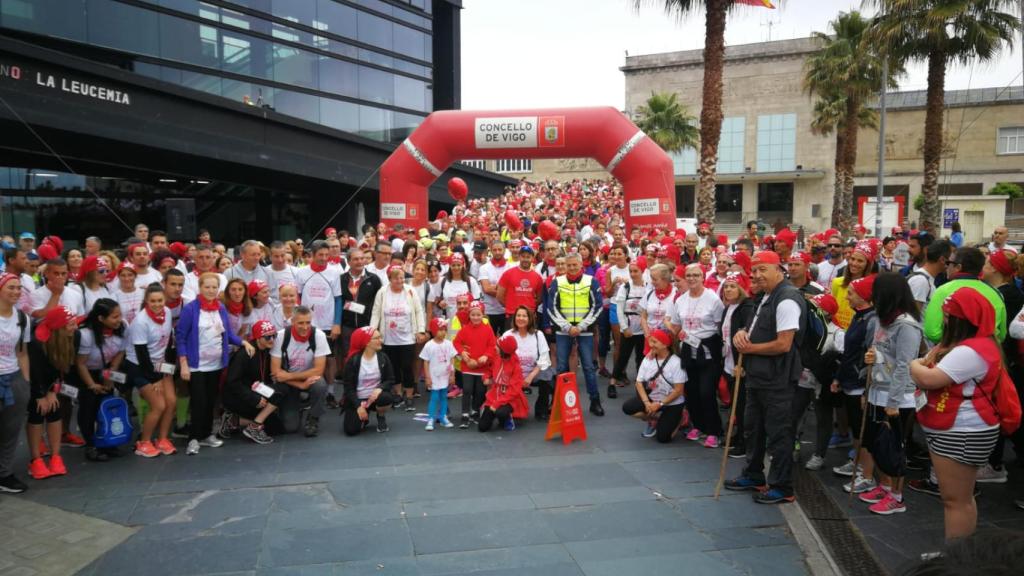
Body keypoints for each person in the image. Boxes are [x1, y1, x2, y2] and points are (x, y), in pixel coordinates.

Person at [911, 288, 1003, 540]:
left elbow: (928, 377)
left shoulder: (969, 351)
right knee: (959, 499)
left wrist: (914, 364)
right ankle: (960, 556)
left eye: (947, 315)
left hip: (961, 431)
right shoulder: (970, 346)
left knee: (955, 501)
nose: (943, 319)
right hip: (958, 429)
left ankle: (956, 561)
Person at [725, 251, 804, 504]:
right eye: (754, 270)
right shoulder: (766, 296)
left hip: (777, 379)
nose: (756, 275)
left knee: (779, 434)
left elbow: (783, 344)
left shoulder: (787, 299)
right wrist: (741, 334)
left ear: (778, 270)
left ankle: (782, 486)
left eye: (763, 270)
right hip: (758, 376)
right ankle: (754, 474)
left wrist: (749, 349)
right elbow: (754, 328)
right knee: (753, 428)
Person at [857, 273, 923, 515]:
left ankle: (897, 496)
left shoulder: (906, 325)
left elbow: (905, 365)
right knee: (878, 445)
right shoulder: (881, 320)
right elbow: (877, 351)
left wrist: (894, 402)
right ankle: (884, 486)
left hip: (897, 398)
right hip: (877, 391)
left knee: (894, 448)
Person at [176, 272, 254, 455]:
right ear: (200, 288)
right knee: (199, 401)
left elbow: (227, 333)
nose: (211, 290)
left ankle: (206, 435)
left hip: (216, 364)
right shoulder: (190, 309)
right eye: (207, 287)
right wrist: (184, 364)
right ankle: (194, 438)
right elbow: (180, 338)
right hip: (196, 365)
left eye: (214, 287)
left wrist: (243, 342)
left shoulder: (220, 308)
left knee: (211, 401)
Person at [831, 275, 879, 481]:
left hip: (860, 384)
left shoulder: (871, 320)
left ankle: (864, 471)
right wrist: (839, 378)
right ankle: (858, 462)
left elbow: (868, 355)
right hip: (850, 380)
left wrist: (864, 386)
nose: (847, 297)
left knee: (863, 431)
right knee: (856, 428)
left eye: (851, 293)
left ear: (864, 296)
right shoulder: (858, 315)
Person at [547, 252, 605, 416]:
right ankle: (558, 401)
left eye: (574, 265)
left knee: (588, 366)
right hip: (563, 330)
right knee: (561, 367)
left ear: (581, 265)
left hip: (585, 330)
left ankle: (595, 401)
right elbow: (551, 307)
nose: (571, 268)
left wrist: (581, 326)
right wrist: (566, 326)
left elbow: (598, 306)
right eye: (569, 265)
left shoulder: (591, 281)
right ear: (565, 265)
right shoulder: (557, 282)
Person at [675, 263, 725, 448]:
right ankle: (699, 426)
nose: (691, 278)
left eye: (696, 275)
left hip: (708, 348)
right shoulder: (680, 299)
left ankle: (714, 430)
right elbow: (675, 323)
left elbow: (721, 326)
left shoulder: (712, 299)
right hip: (688, 348)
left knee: (706, 392)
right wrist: (677, 332)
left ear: (703, 276)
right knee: (691, 390)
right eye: (688, 275)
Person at [124, 284, 177, 458]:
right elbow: (142, 354)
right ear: (146, 301)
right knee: (158, 405)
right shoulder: (140, 322)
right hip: (140, 366)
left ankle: (162, 439)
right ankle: (144, 442)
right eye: (153, 301)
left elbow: (167, 341)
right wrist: (155, 380)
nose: (157, 304)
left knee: (171, 401)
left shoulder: (168, 313)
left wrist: (167, 366)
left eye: (160, 300)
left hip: (159, 364)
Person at [26, 306, 78, 478]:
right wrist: (40, 395)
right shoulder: (37, 344)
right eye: (70, 324)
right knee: (37, 412)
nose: (75, 327)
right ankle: (36, 460)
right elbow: (33, 373)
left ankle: (56, 456)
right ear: (59, 328)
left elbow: (61, 370)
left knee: (55, 411)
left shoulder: (70, 338)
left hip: (51, 382)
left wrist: (53, 392)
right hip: (34, 384)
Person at [74, 298, 126, 462]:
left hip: (106, 371)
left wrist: (111, 374)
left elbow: (120, 352)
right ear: (101, 319)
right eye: (114, 317)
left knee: (106, 407)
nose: (119, 320)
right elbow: (80, 364)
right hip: (86, 373)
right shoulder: (86, 335)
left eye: (119, 315)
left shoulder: (122, 327)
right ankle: (91, 445)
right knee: (88, 409)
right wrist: (91, 385)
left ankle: (107, 441)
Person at [370, 264, 427, 411]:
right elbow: (376, 312)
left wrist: (420, 330)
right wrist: (372, 331)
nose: (400, 281)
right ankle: (398, 394)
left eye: (402, 277)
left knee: (407, 366)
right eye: (396, 278)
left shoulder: (410, 291)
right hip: (389, 337)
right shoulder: (382, 292)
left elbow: (419, 311)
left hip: (407, 336)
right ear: (390, 279)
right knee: (393, 367)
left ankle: (409, 396)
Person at [923, 247, 1006, 344]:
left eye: (949, 263)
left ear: (958, 267)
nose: (946, 267)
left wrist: (951, 343)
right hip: (987, 353)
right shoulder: (995, 292)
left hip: (951, 352)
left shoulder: (943, 290)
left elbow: (932, 332)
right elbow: (1002, 334)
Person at [222, 320, 285, 445]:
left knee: (277, 428)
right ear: (257, 337)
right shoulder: (245, 353)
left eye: (274, 335)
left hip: (256, 392)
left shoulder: (267, 351)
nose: (272, 339)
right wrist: (253, 398)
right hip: (239, 397)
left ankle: (234, 421)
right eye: (267, 337)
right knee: (280, 392)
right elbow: (232, 382)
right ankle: (254, 427)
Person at [270, 306, 329, 437]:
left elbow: (319, 370)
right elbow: (275, 372)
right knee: (290, 427)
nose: (305, 327)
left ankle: (313, 418)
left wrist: (289, 375)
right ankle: (299, 404)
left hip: (303, 377)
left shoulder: (319, 335)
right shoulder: (281, 336)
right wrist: (299, 384)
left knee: (320, 384)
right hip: (288, 383)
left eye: (308, 322)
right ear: (292, 322)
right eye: (300, 323)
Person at [621, 329, 687, 443]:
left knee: (663, 438)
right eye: (650, 342)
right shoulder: (648, 359)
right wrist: (647, 403)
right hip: (653, 398)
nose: (651, 345)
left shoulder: (676, 362)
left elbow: (678, 391)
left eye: (655, 342)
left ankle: (680, 418)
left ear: (665, 344)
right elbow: (639, 383)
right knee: (628, 407)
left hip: (672, 402)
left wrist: (660, 404)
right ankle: (655, 418)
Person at [0, 274, 30, 492]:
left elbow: (22, 353)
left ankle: (4, 473)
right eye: (11, 287)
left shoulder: (22, 317)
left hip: (14, 377)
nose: (16, 292)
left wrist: (26, 382)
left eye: (18, 288)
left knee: (11, 429)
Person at [720, 272, 755, 459]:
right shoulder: (729, 308)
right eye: (726, 286)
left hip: (740, 364)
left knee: (742, 405)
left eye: (732, 286)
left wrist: (744, 365)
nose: (728, 289)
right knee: (735, 402)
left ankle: (744, 440)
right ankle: (738, 435)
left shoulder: (746, 307)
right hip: (728, 362)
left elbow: (747, 337)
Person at [341, 326, 394, 435]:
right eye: (377, 338)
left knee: (385, 398)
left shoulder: (383, 357)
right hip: (358, 399)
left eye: (380, 337)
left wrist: (380, 388)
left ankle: (381, 416)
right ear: (367, 342)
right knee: (351, 430)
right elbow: (348, 388)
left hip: (375, 398)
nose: (381, 340)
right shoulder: (353, 361)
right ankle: (364, 418)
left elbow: (390, 379)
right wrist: (358, 406)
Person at [503, 306, 552, 421]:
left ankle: (542, 409)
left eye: (524, 316)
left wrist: (530, 376)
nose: (521, 318)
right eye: (518, 316)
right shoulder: (507, 335)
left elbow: (544, 358)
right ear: (514, 318)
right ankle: (510, 408)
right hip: (512, 374)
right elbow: (501, 359)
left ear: (530, 319)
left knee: (547, 376)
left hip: (532, 373)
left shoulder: (538, 334)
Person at [453, 301, 496, 428]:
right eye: (473, 315)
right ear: (469, 315)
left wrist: (486, 355)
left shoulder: (488, 330)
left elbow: (492, 345)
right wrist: (463, 354)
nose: (476, 317)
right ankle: (465, 414)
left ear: (482, 315)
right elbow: (456, 343)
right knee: (467, 389)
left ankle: (475, 411)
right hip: (468, 366)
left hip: (482, 367)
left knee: (480, 391)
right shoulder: (465, 329)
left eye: (478, 315)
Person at [610, 262, 647, 397]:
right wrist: (624, 327)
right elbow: (619, 309)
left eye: (636, 271)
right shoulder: (625, 287)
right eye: (631, 271)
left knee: (641, 358)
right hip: (629, 329)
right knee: (623, 357)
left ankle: (641, 385)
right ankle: (612, 383)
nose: (632, 274)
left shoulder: (648, 287)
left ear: (642, 272)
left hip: (643, 329)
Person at [478, 334, 529, 432]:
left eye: (497, 346)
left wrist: (496, 404)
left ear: (504, 351)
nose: (495, 347)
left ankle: (507, 418)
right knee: (482, 427)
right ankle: (495, 413)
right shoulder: (496, 357)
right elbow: (489, 369)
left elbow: (514, 391)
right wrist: (486, 377)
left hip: (509, 398)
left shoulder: (516, 366)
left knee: (500, 412)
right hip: (494, 395)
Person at [420, 318, 457, 430]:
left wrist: (452, 374)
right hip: (434, 376)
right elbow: (425, 362)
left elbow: (452, 359)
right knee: (434, 397)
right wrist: (427, 377)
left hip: (445, 375)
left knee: (443, 397)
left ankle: (442, 417)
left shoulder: (449, 344)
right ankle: (431, 418)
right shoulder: (429, 345)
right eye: (440, 330)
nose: (443, 332)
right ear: (434, 330)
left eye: (444, 329)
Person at [832, 241, 876, 329]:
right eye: (852, 259)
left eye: (860, 261)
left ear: (867, 264)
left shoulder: (872, 286)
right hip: (837, 332)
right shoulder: (837, 282)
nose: (854, 263)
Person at [428, 253, 480, 321]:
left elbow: (477, 302)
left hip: (468, 321)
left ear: (463, 265)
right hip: (449, 321)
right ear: (450, 266)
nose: (456, 268)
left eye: (458, 265)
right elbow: (436, 299)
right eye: (453, 265)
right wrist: (439, 303)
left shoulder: (471, 281)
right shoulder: (442, 281)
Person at [479, 240, 512, 334]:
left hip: (506, 311)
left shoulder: (510, 268)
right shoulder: (484, 268)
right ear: (491, 251)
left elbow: (511, 289)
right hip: (489, 311)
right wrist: (504, 290)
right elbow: (486, 289)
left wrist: (495, 287)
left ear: (504, 250)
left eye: (500, 249)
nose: (497, 252)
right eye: (495, 250)